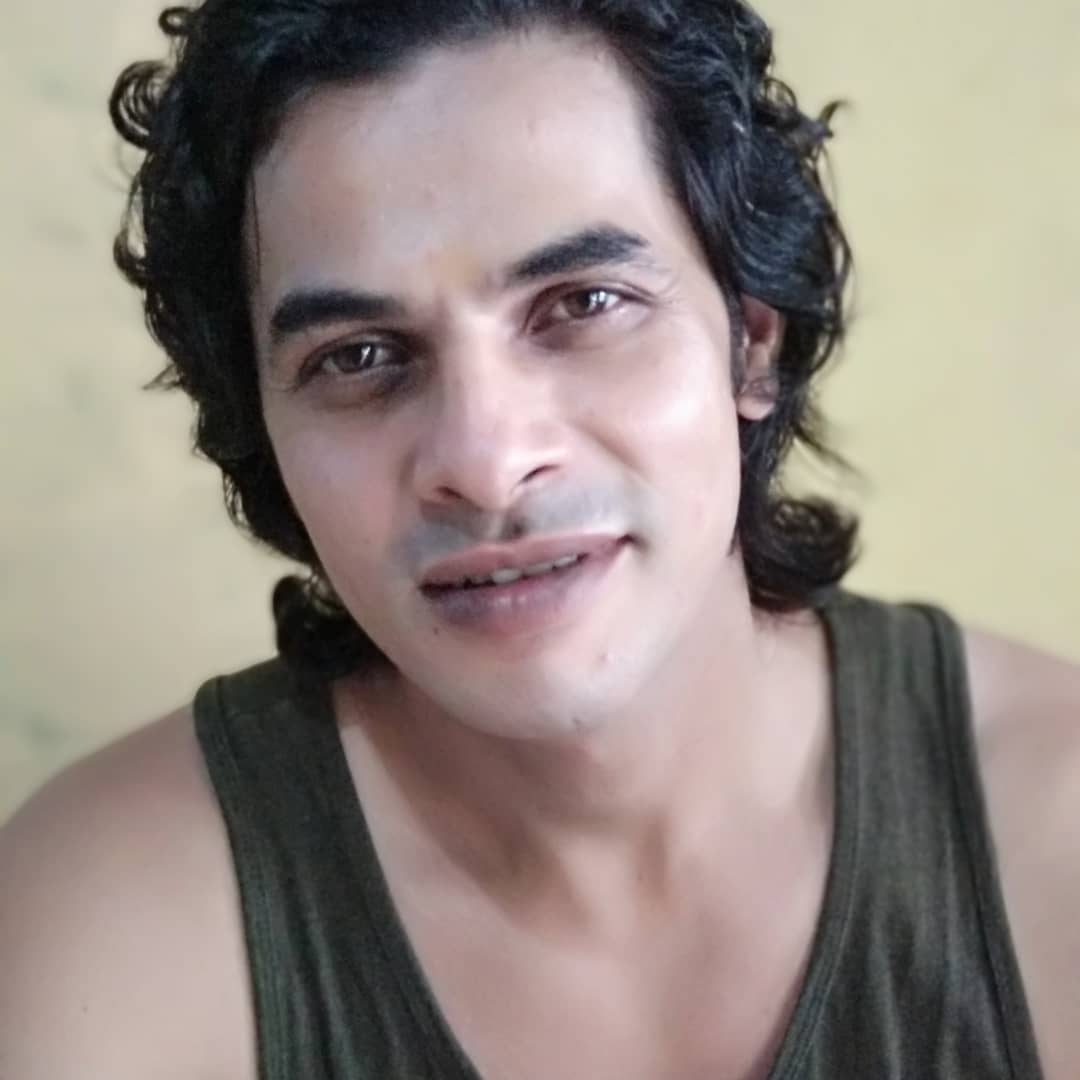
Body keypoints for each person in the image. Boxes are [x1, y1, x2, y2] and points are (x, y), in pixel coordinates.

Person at [1, 0, 1077, 1076]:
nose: (485, 461)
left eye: (584, 302)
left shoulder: (1052, 827)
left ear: (751, 339)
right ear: (264, 428)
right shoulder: (106, 928)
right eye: (359, 357)